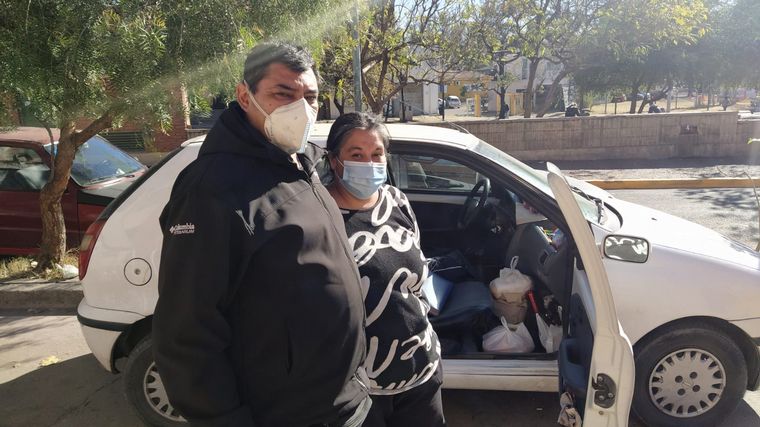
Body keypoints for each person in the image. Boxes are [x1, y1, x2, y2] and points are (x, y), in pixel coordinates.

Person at [153, 42, 370, 427]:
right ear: (244, 96)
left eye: (310, 98)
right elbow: (187, 332)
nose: (300, 109)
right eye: (283, 94)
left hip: (341, 401)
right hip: (289, 416)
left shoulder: (300, 164)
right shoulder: (211, 189)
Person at [325, 112, 445, 427]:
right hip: (359, 389)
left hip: (421, 372)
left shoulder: (396, 200)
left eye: (377, 154)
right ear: (334, 160)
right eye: (356, 155)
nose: (369, 163)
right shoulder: (320, 214)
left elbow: (416, 272)